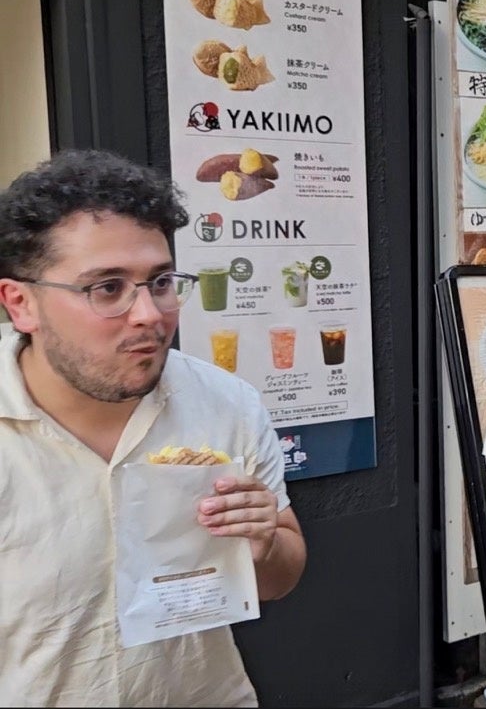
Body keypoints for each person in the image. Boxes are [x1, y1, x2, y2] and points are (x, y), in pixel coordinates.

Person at [0, 150, 307, 707]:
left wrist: (262, 544)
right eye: (108, 288)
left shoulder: (226, 404)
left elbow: (280, 576)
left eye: (161, 281)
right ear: (21, 303)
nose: (149, 314)